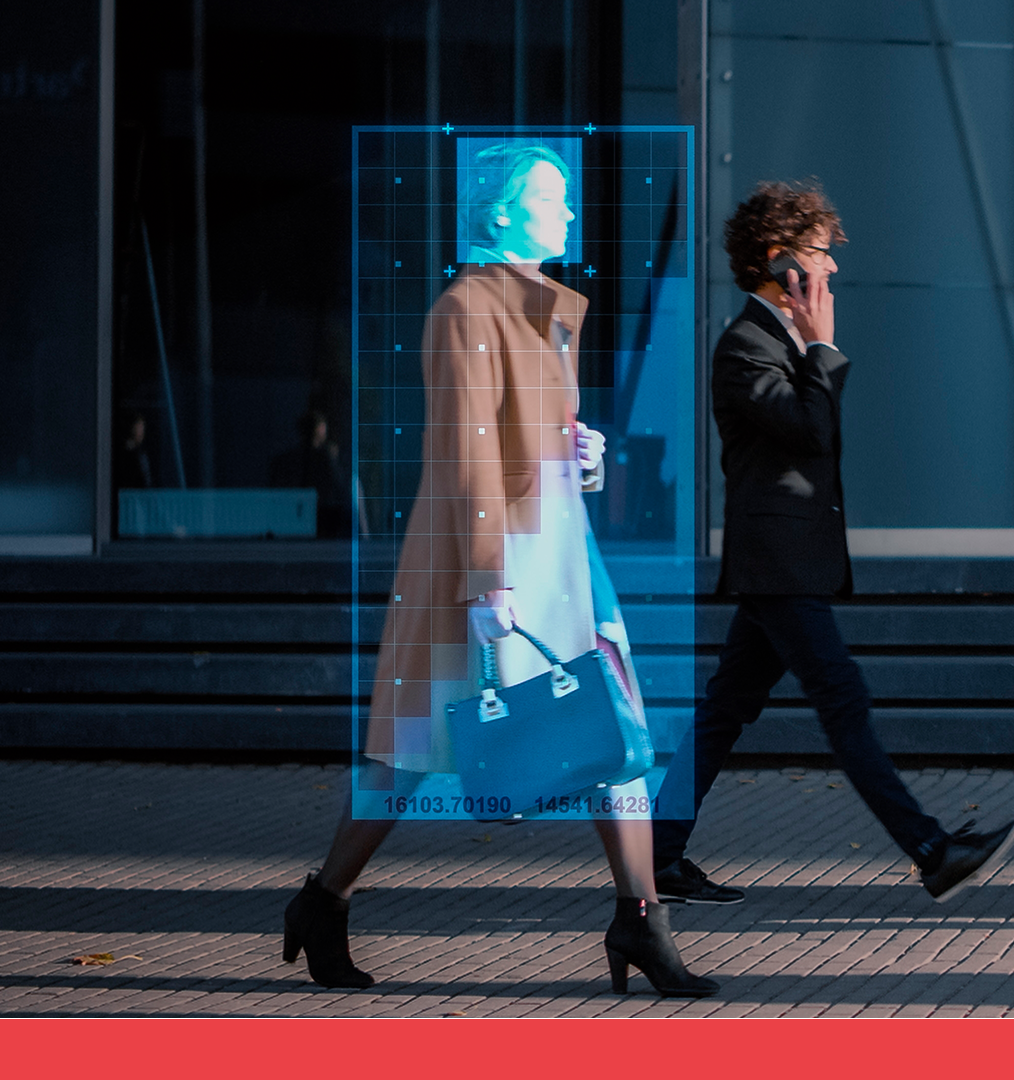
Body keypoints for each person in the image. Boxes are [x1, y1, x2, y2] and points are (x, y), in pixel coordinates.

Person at [281, 142, 716, 996]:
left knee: (618, 728)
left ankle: (640, 918)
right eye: (552, 199)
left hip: (559, 550)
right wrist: (489, 582)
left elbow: (530, 439)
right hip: (492, 556)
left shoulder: (542, 310)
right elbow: (467, 454)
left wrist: (583, 456)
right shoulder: (466, 310)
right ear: (503, 210)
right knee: (413, 750)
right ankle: (324, 900)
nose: (570, 214)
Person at [648, 181, 1014, 906]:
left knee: (725, 710)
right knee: (841, 698)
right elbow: (810, 431)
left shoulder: (777, 342)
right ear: (778, 258)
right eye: (820, 252)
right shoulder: (745, 347)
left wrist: (814, 346)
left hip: (784, 562)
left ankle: (659, 855)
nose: (833, 267)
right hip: (777, 565)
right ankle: (932, 851)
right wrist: (821, 345)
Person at [269, 408, 353, 537]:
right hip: (313, 514)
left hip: (311, 514)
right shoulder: (320, 458)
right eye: (321, 427)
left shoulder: (294, 458)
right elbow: (338, 484)